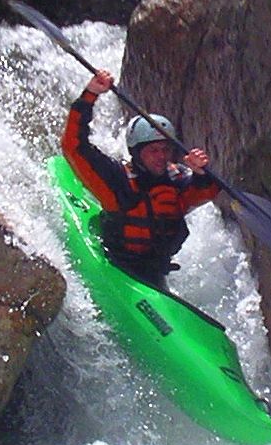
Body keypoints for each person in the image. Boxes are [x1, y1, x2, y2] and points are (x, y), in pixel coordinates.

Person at [61, 68, 221, 290]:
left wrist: (202, 173)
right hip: (116, 263)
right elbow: (73, 146)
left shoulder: (177, 180)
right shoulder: (117, 180)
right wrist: (90, 95)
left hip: (155, 272)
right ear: (136, 152)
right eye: (153, 150)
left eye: (165, 149)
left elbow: (208, 191)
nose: (161, 156)